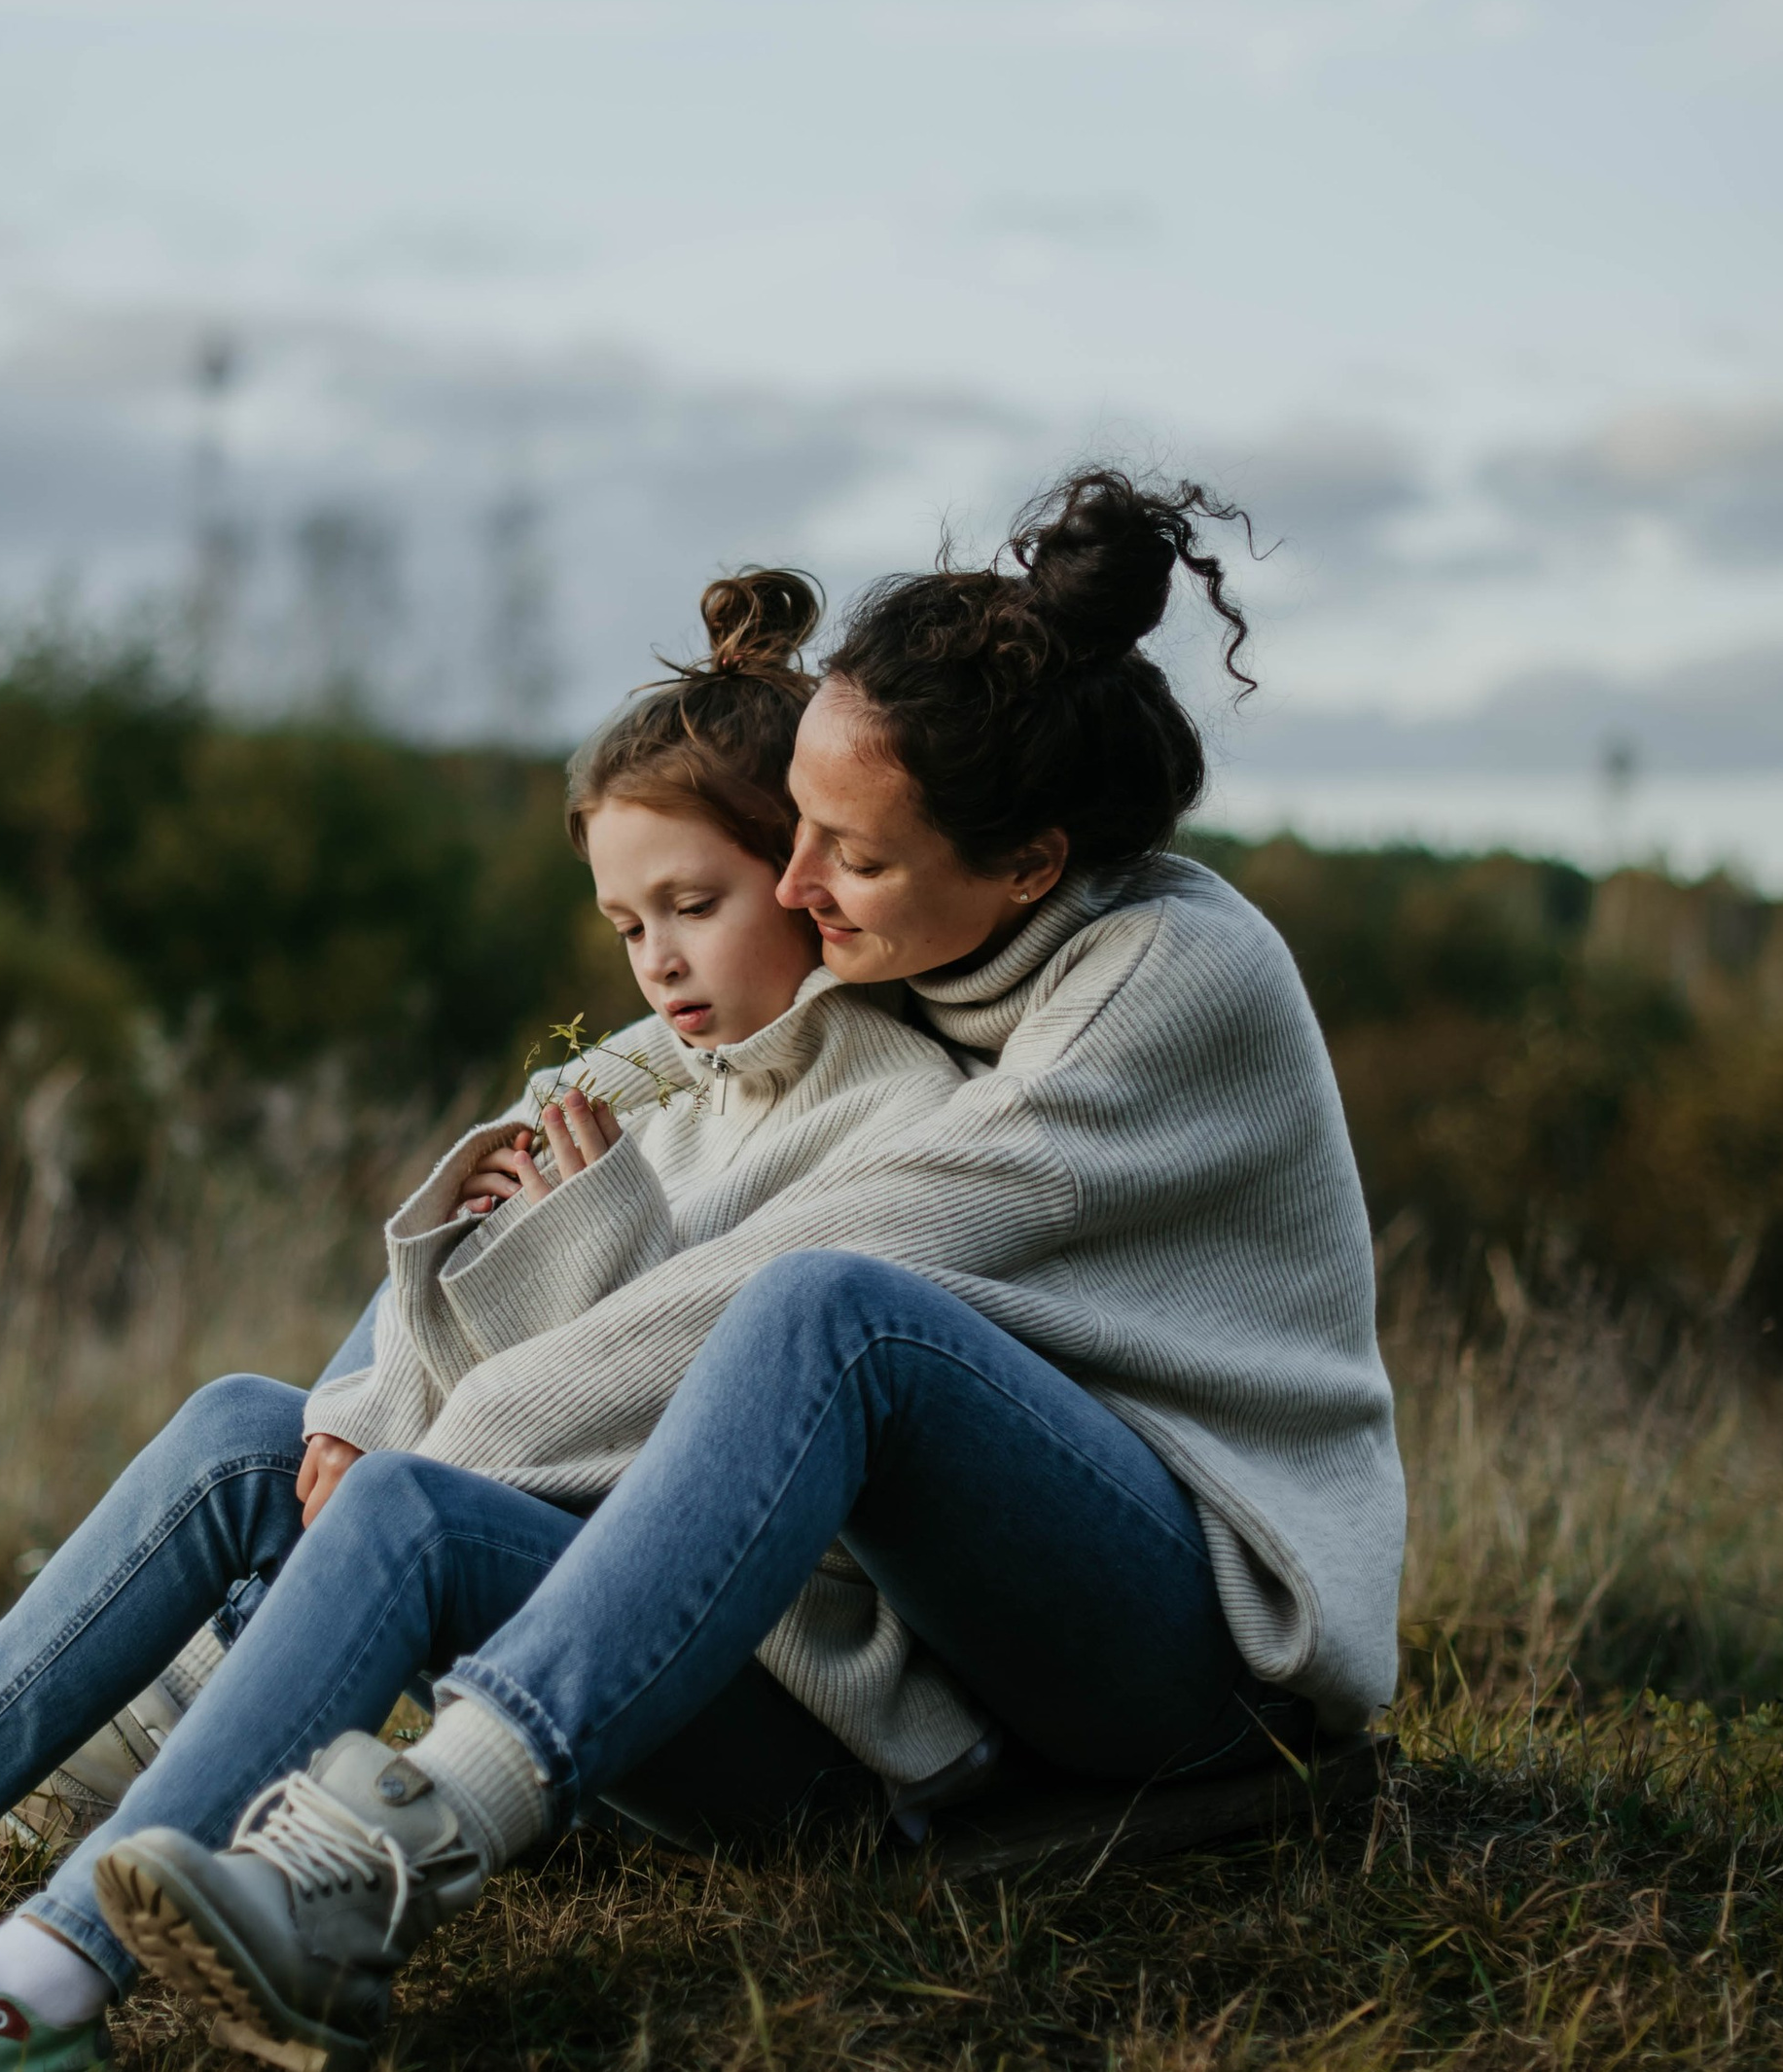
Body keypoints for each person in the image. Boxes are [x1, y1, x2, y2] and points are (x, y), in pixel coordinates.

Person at [84, 466, 1406, 2071]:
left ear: (1035, 860)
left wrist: (446, 1441)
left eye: (841, 853)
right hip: (993, 1585)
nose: (791, 887)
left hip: (1196, 1636)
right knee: (553, 1278)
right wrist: (380, 1377)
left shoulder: (1164, 983)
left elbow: (813, 1262)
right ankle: (186, 1731)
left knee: (826, 1310)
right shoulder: (936, 938)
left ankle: (411, 1840)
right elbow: (610, 1094)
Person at [0, 571, 969, 2067]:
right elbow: (471, 1379)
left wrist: (593, 1247)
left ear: (806, 872)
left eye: (693, 905)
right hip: (580, 1603)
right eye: (628, 921)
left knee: (395, 1505)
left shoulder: (898, 1113)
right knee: (256, 1419)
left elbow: (703, 1435)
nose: (657, 958)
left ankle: (38, 1985)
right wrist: (424, 1327)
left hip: (771, 1700)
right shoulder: (648, 1084)